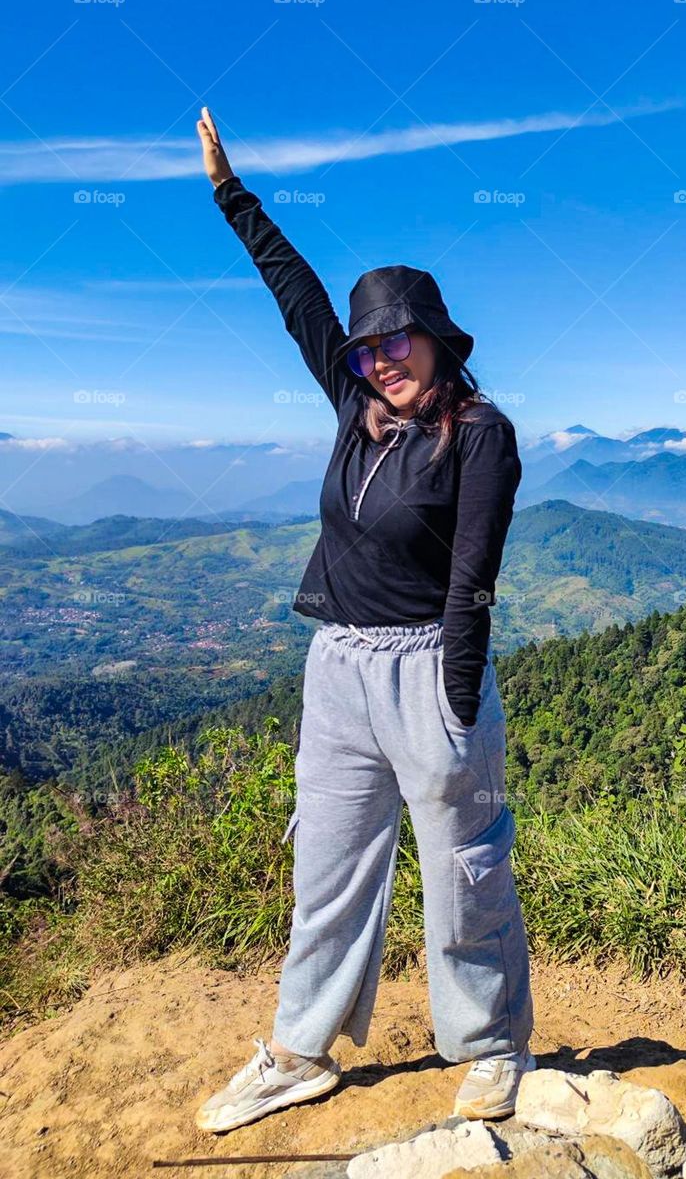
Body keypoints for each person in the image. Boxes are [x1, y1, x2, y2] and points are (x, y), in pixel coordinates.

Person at [192, 107, 536, 1134]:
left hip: (434, 665)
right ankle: (301, 1047)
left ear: (436, 336)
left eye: (399, 339)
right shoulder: (356, 409)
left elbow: (474, 575)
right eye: (367, 346)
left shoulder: (480, 435)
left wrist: (457, 703)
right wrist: (230, 190)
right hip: (336, 665)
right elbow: (293, 291)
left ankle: (489, 1044)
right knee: (328, 863)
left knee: (464, 865)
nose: (383, 358)